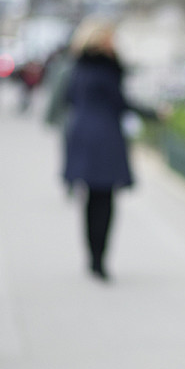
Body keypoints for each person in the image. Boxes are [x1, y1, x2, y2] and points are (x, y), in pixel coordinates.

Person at [63, 18, 158, 280]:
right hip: (104, 137)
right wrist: (154, 113)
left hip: (81, 134)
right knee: (104, 200)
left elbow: (67, 97)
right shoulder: (106, 68)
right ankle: (99, 260)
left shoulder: (78, 66)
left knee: (91, 199)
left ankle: (92, 257)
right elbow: (121, 102)